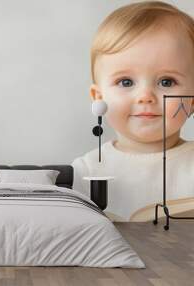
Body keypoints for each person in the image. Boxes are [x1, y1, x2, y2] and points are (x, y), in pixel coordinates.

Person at [72, 1, 194, 222]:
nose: (145, 96)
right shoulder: (84, 172)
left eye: (167, 81)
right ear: (99, 98)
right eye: (126, 82)